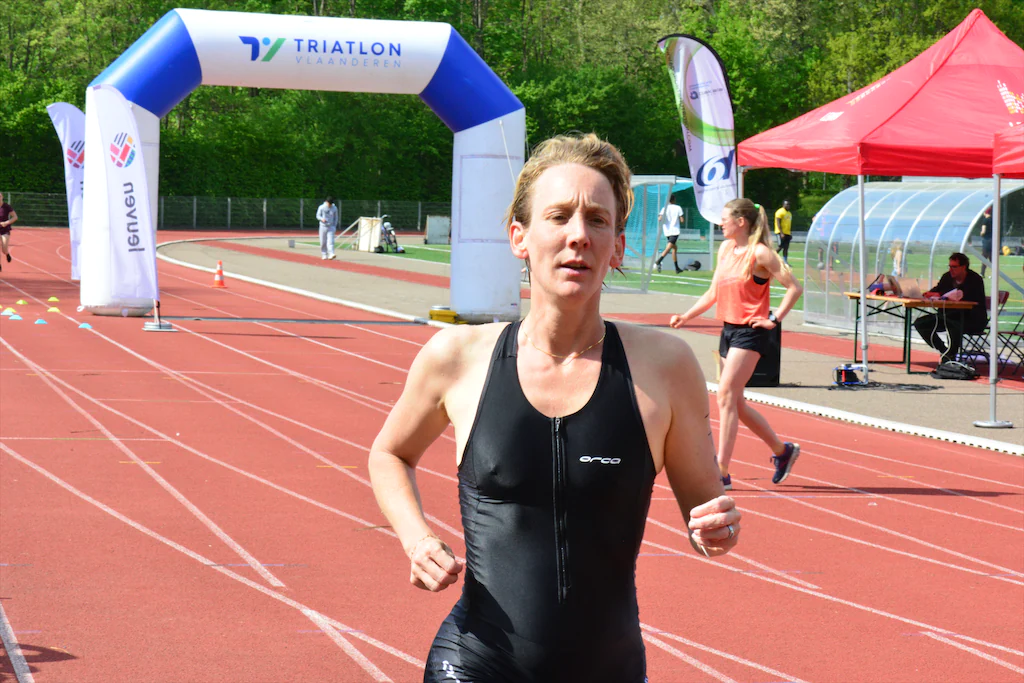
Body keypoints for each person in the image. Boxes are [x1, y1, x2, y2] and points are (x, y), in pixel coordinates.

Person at [368, 133, 740, 683]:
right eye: (559, 216)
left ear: (617, 246)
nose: (578, 235)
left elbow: (705, 511)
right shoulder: (458, 357)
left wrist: (717, 529)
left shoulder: (665, 366)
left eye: (597, 220)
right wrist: (417, 539)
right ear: (519, 237)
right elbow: (389, 454)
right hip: (477, 662)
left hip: (609, 668)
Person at [669, 198, 804, 492]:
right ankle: (782, 451)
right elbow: (713, 292)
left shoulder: (761, 253)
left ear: (740, 222)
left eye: (724, 218)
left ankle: (721, 470)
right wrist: (687, 316)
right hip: (729, 330)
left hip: (751, 333)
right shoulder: (726, 249)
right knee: (735, 402)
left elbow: (794, 287)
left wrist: (774, 319)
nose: (720, 223)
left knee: (726, 394)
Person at [913, 252, 987, 363]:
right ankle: (944, 350)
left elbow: (966, 296)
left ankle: (951, 355)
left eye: (954, 267)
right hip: (946, 316)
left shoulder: (975, 279)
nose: (951, 270)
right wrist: (928, 294)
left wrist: (942, 295)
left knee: (953, 324)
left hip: (971, 319)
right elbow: (937, 290)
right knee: (920, 323)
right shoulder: (947, 277)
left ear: (964, 267)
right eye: (950, 266)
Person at [654, 194, 684, 273]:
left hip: (667, 231)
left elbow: (659, 218)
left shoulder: (664, 208)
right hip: (675, 231)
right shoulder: (678, 208)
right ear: (674, 200)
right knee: (669, 247)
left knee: (674, 248)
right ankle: (659, 261)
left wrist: (662, 218)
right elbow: (682, 220)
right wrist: (680, 219)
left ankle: (677, 268)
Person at [0, 192, 17, 270]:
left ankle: (7, 253)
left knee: (4, 249)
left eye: (0, 196)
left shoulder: (6, 206)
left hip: (5, 229)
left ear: (2, 197)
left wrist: (6, 222)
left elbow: (15, 217)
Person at [978, 206, 993, 277]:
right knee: (992, 259)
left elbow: (983, 231)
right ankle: (993, 274)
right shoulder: (993, 220)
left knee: (984, 258)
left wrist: (981, 233)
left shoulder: (985, 220)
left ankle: (982, 273)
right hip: (993, 241)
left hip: (986, 241)